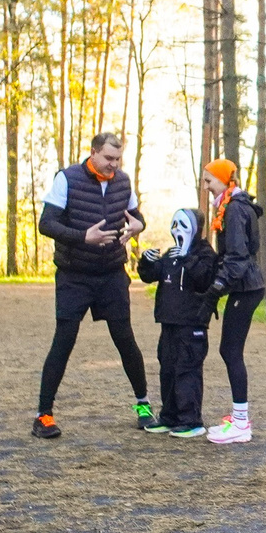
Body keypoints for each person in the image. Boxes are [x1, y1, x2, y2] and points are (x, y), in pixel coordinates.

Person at [32, 131, 151, 438]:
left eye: (118, 159)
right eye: (109, 158)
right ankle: (44, 415)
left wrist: (139, 225)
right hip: (75, 274)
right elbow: (46, 223)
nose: (114, 165)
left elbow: (136, 217)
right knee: (64, 339)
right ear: (94, 153)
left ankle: (143, 405)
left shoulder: (123, 182)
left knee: (125, 339)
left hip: (111, 272)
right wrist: (83, 237)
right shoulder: (67, 179)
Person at [137, 207, 223, 437]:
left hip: (192, 323)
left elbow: (205, 279)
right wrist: (146, 262)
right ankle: (169, 415)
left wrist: (188, 258)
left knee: (187, 369)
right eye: (174, 225)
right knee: (168, 368)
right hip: (169, 322)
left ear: (195, 228)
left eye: (183, 225)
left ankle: (190, 419)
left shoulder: (204, 253)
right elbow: (150, 275)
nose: (177, 230)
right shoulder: (171, 254)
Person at [202, 158, 264, 444]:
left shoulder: (235, 208)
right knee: (229, 350)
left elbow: (238, 256)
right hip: (243, 287)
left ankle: (241, 423)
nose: (206, 186)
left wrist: (217, 288)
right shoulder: (231, 205)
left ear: (224, 180)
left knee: (230, 350)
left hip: (246, 288)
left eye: (209, 180)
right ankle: (239, 418)